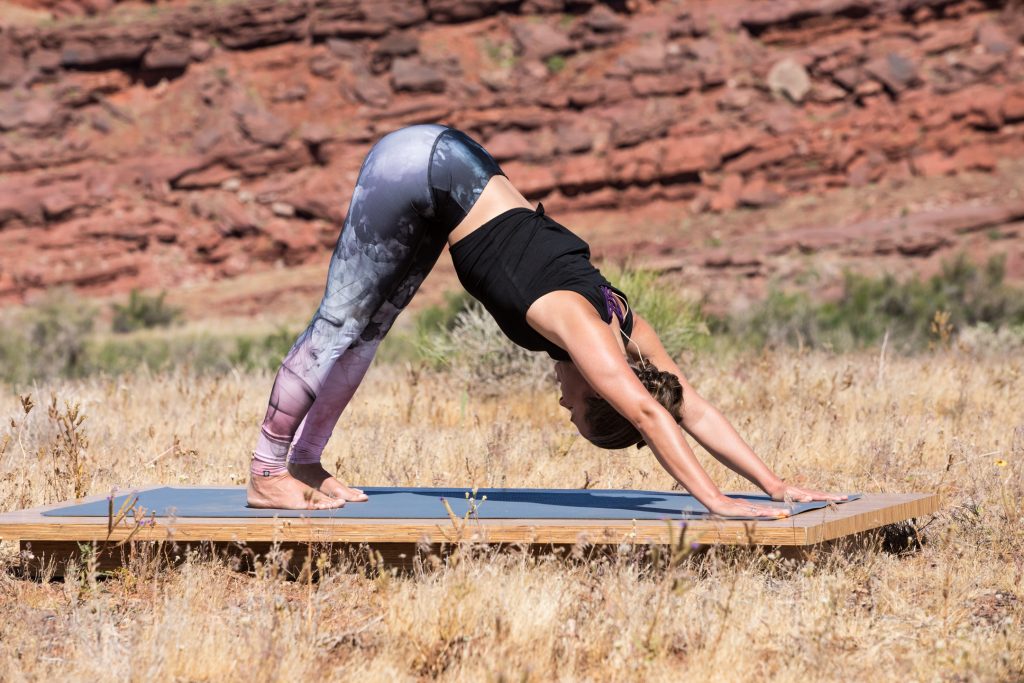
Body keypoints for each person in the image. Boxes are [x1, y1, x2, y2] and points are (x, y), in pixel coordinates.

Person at [247, 124, 846, 515]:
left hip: (455, 175)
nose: (564, 406)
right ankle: (265, 472)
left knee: (367, 332)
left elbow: (685, 401)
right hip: (422, 167)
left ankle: (304, 460)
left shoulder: (623, 321)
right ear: (599, 387)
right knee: (339, 324)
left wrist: (773, 484)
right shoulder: (582, 328)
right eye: (579, 411)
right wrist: (717, 501)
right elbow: (647, 409)